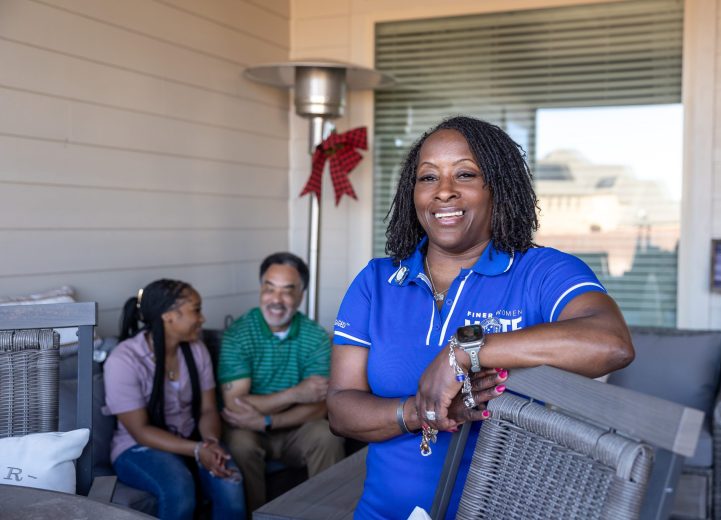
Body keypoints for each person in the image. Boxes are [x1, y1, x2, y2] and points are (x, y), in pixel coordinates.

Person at [327, 115, 635, 519]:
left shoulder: (540, 272)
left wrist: (465, 352)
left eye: (465, 174)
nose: (444, 191)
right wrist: (422, 412)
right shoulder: (377, 281)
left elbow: (611, 343)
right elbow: (340, 409)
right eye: (428, 177)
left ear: (498, 188)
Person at [104, 279, 246, 520]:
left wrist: (211, 442)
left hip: (193, 439)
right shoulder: (123, 360)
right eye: (196, 310)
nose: (202, 318)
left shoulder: (196, 350)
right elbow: (140, 431)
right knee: (178, 489)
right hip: (137, 448)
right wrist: (198, 450)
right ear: (169, 316)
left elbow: (208, 410)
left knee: (230, 483)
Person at [219, 252, 345, 510]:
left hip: (297, 428)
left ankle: (327, 514)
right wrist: (295, 394)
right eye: (269, 288)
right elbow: (235, 405)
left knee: (326, 435)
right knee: (240, 444)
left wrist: (268, 420)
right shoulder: (238, 334)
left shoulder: (315, 337)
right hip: (248, 430)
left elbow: (319, 407)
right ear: (260, 289)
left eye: (288, 291)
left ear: (301, 295)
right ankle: (257, 515)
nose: (276, 300)